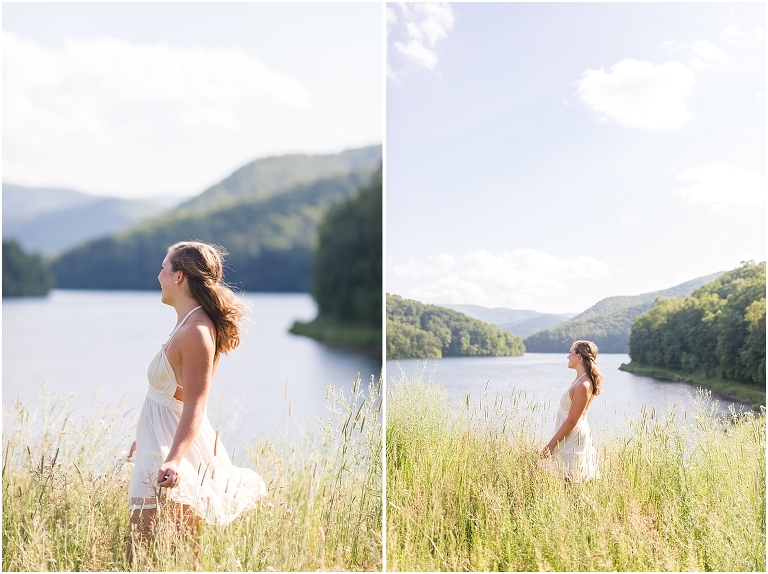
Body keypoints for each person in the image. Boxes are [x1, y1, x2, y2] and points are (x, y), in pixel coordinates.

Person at [127, 241, 267, 559]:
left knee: (161, 553)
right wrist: (142, 437)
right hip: (157, 444)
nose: (159, 274)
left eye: (164, 268)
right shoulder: (187, 322)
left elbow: (194, 404)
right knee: (144, 552)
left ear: (179, 277)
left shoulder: (196, 331)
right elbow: (169, 397)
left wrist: (173, 460)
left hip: (172, 453)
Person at [537, 340, 602, 482]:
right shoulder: (579, 380)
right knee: (569, 486)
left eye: (570, 352)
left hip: (573, 439)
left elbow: (572, 420)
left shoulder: (583, 385)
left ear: (579, 356)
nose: (568, 356)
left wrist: (551, 445)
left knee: (572, 488)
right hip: (568, 437)